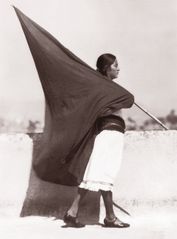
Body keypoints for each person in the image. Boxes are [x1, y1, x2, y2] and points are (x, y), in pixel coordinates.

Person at [63, 53, 133, 228]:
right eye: (115, 65)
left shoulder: (107, 88)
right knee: (100, 175)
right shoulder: (105, 89)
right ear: (106, 69)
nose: (118, 68)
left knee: (99, 176)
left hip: (111, 134)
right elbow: (129, 99)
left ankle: (104, 216)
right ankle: (76, 212)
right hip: (108, 134)